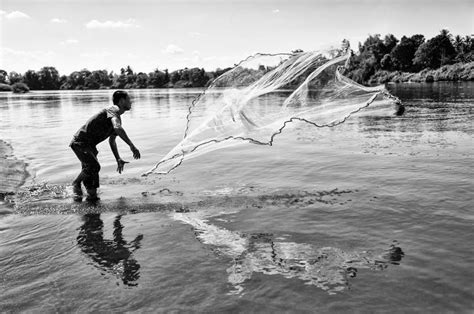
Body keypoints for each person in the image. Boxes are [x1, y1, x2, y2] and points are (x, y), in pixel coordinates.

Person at [70, 90, 140, 201]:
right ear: (121, 101)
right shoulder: (113, 109)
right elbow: (117, 128)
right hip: (81, 143)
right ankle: (75, 183)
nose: (131, 102)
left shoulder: (117, 117)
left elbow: (112, 141)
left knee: (92, 189)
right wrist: (131, 145)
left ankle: (89, 209)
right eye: (129, 100)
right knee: (94, 167)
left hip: (90, 147)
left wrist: (118, 158)